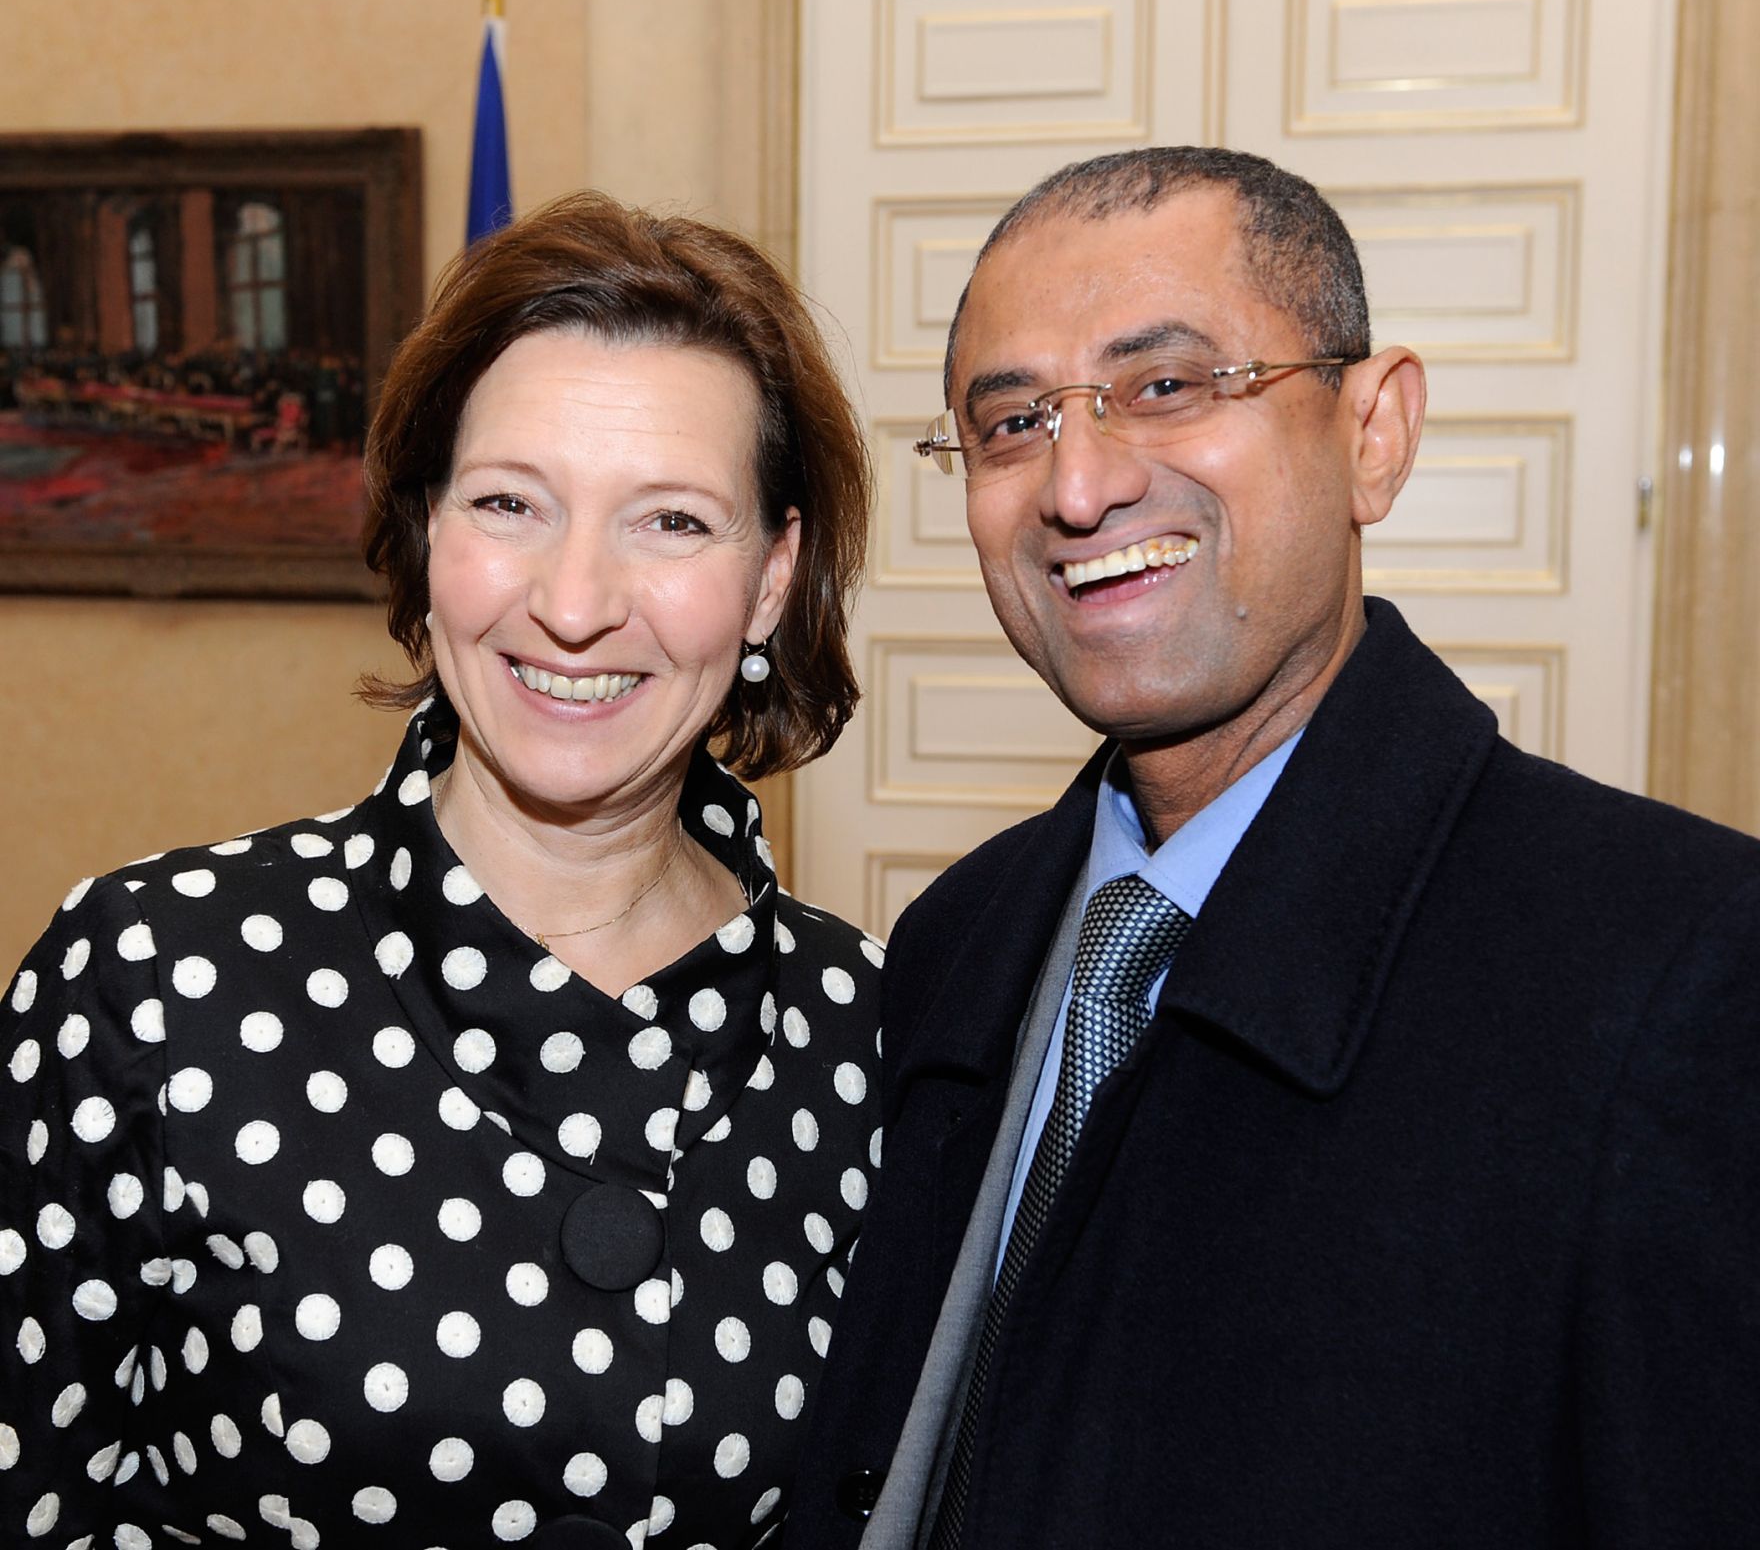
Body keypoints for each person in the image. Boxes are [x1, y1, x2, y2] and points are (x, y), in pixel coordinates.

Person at [784, 147, 1760, 1548]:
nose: (1076, 485)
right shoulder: (958, 942)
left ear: (1374, 431)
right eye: (1010, 422)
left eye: (1167, 387)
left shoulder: (1674, 969)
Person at [1, 193, 882, 1548]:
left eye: (671, 524)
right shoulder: (150, 982)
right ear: (425, 532)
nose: (574, 601)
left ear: (772, 579)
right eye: (510, 502)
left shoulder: (870, 1031)